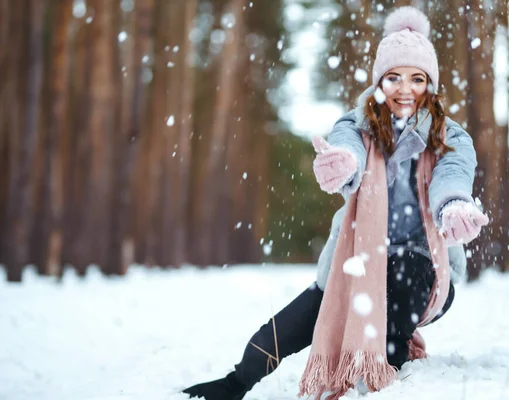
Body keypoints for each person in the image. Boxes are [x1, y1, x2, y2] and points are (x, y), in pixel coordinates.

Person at [182, 6, 488, 400]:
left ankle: (378, 378)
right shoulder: (356, 125)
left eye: (417, 79)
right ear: (379, 81)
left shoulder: (450, 135)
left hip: (424, 269)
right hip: (359, 262)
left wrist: (453, 207)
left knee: (401, 279)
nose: (405, 89)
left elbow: (453, 174)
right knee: (287, 327)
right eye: (393, 77)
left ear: (430, 84)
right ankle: (235, 383)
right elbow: (348, 151)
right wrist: (342, 166)